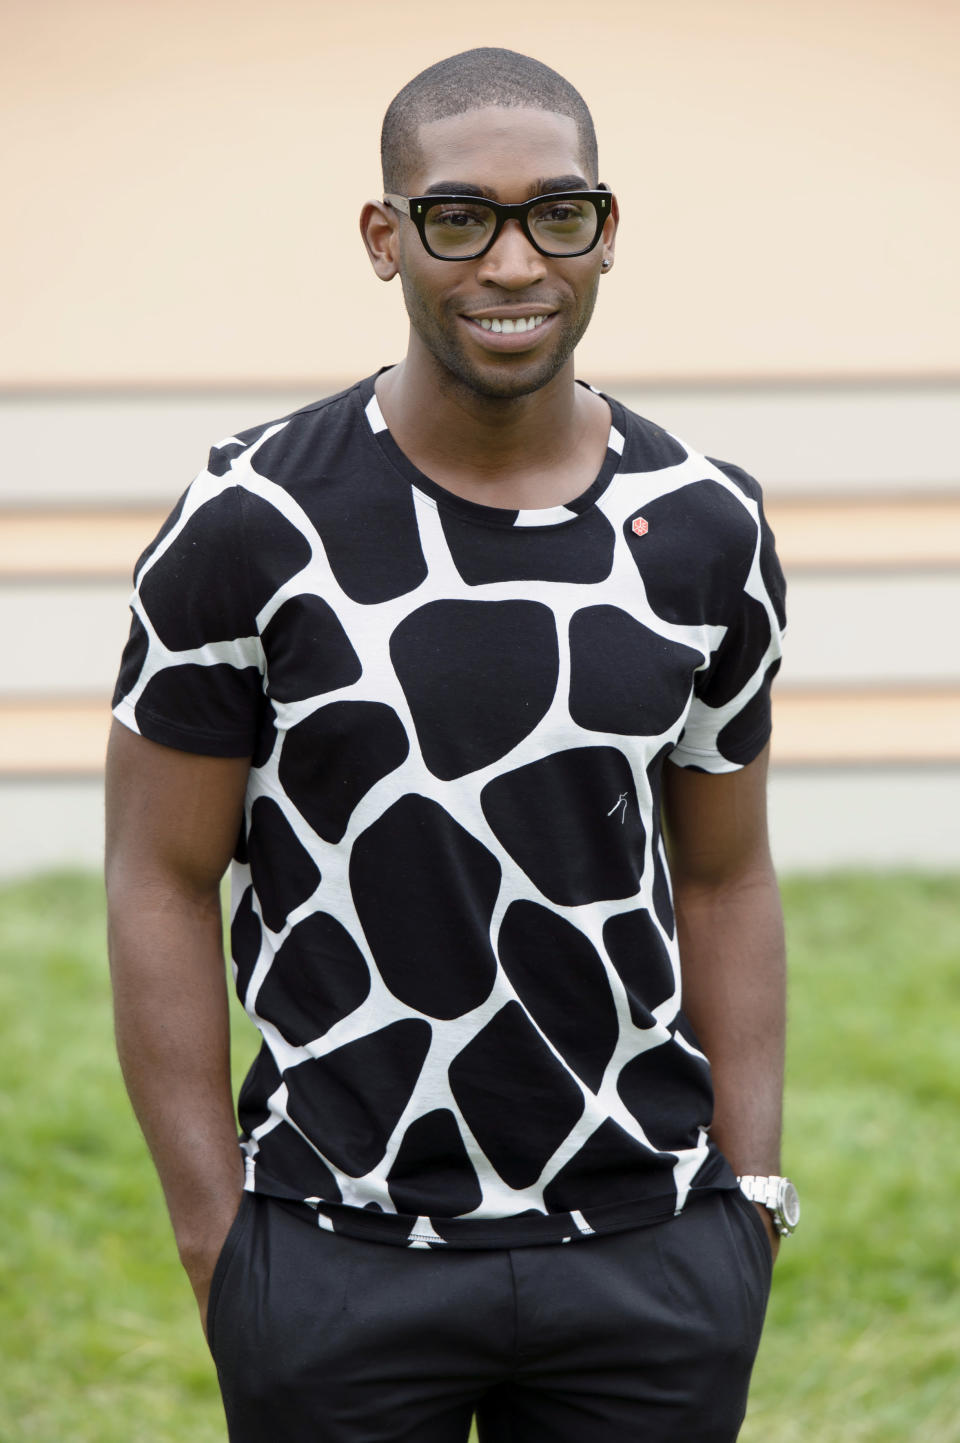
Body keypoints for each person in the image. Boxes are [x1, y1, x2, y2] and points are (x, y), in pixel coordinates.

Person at [105, 46, 798, 1443]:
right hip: (335, 1248)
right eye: (459, 216)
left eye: (558, 213)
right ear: (387, 237)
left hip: (648, 1250)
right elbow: (159, 881)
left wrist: (749, 1200)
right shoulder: (250, 522)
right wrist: (219, 1241)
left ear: (606, 232)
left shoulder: (709, 526)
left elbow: (725, 878)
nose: (511, 263)